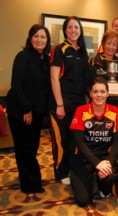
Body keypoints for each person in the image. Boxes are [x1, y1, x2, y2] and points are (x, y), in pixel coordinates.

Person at [6, 24, 51, 194]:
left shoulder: (46, 60)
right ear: (30, 38)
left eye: (43, 37)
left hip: (37, 111)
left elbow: (45, 87)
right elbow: (16, 84)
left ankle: (25, 175)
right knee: (25, 149)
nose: (39, 40)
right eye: (36, 36)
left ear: (47, 41)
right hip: (20, 110)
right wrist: (26, 109)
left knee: (32, 147)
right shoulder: (23, 56)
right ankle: (31, 184)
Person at [69, 77, 118, 207]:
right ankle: (87, 177)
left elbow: (117, 141)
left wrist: (108, 163)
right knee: (83, 201)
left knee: (109, 177)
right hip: (84, 157)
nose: (99, 95)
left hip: (105, 156)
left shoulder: (115, 111)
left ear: (107, 93)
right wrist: (96, 164)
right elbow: (79, 141)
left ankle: (103, 188)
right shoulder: (81, 110)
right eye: (95, 92)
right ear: (90, 93)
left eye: (102, 91)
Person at [49, 16, 90, 185]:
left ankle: (73, 168)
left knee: (75, 139)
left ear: (80, 31)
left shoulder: (82, 51)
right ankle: (61, 172)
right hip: (62, 102)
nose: (73, 30)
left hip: (79, 102)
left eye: (76, 27)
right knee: (62, 140)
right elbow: (54, 78)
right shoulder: (59, 49)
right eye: (70, 27)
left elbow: (85, 80)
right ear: (65, 30)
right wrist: (59, 104)